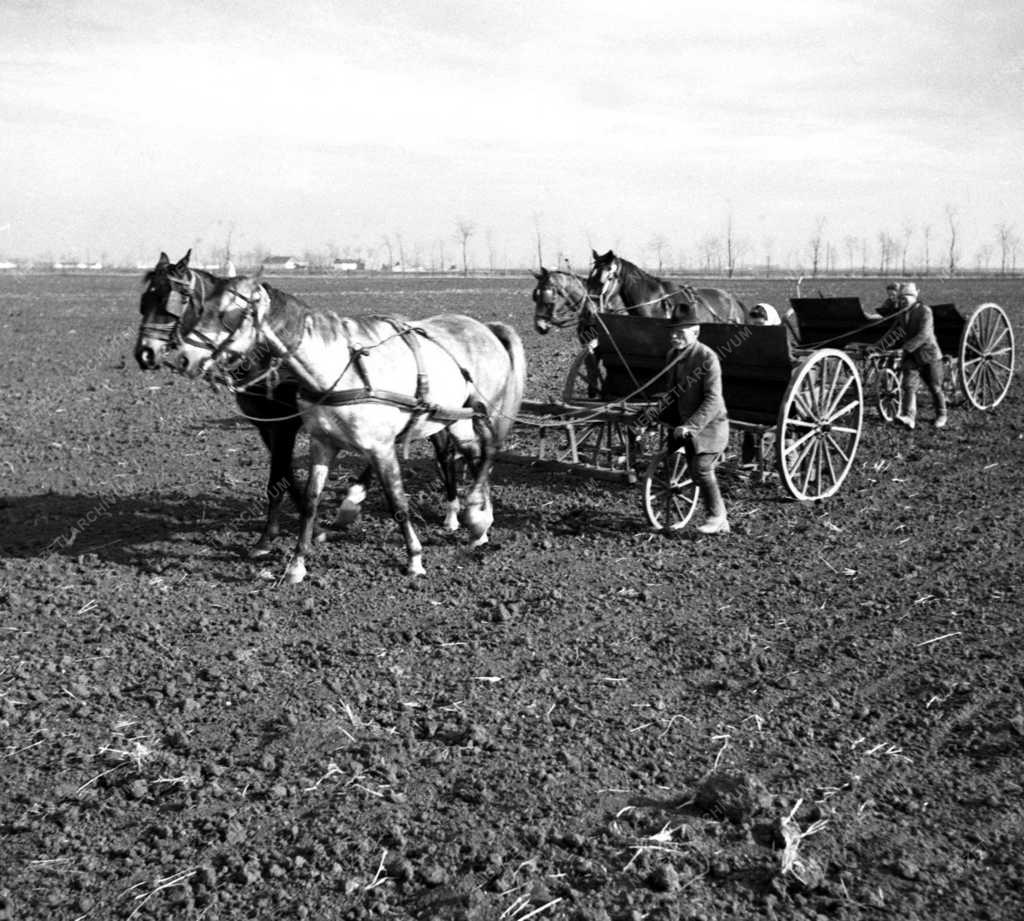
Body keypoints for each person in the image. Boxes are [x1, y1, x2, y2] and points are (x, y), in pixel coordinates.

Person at [661, 316, 730, 533]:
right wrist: (654, 416)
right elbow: (671, 393)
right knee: (684, 468)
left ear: (696, 333)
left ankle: (716, 516)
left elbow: (714, 399)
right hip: (684, 426)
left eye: (680, 333)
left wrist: (691, 426)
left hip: (710, 427)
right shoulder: (672, 355)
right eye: (672, 332)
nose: (674, 337)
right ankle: (722, 523)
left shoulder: (707, 358)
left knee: (701, 469)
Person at [893, 282, 947, 429]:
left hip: (928, 355)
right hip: (911, 356)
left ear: (914, 297)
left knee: (934, 386)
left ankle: (941, 415)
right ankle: (909, 417)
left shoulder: (925, 311)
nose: (902, 301)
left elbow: (924, 334)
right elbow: (894, 333)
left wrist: (905, 348)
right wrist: (878, 347)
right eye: (901, 298)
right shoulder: (902, 313)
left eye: (905, 298)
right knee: (909, 386)